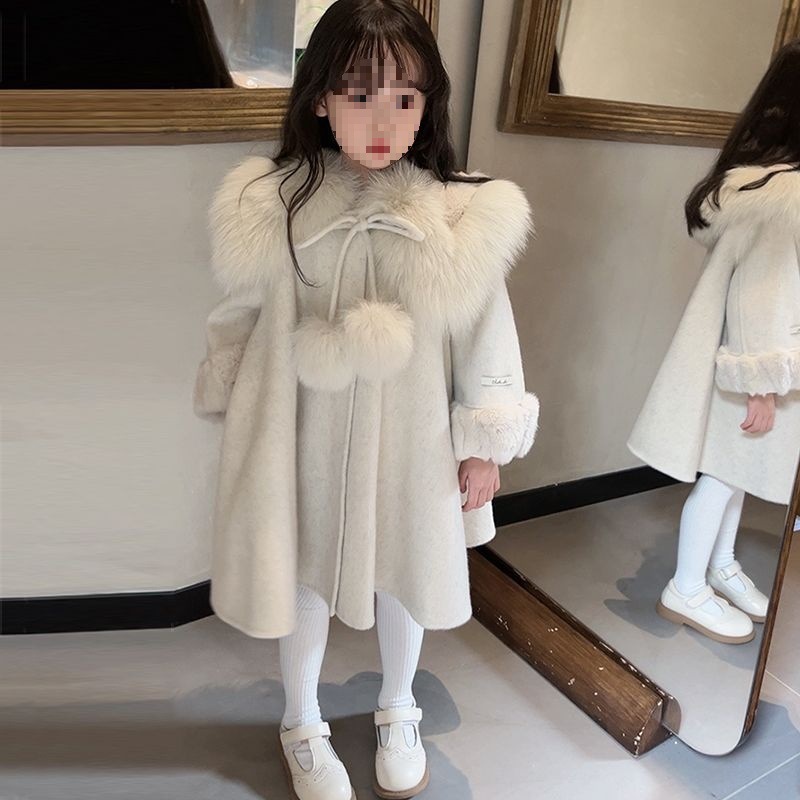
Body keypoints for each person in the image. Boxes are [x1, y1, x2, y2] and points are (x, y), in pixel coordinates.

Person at [192, 2, 539, 798]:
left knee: (407, 565)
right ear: (320, 98)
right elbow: (239, 317)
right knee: (305, 575)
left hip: (414, 440)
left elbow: (488, 336)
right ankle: (301, 719)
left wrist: (484, 445)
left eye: (405, 97)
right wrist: (237, 412)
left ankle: (398, 703)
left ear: (427, 105)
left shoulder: (460, 217)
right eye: (359, 93)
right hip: (302, 432)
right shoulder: (273, 206)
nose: (384, 120)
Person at [628, 39, 800, 647]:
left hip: (758, 363)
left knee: (739, 470)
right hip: (758, 369)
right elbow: (761, 297)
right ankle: (686, 586)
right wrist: (761, 385)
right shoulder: (783, 197)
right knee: (724, 476)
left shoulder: (770, 187)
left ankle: (719, 566)